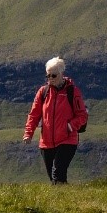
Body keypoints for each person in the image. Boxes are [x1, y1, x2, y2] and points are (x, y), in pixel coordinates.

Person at [22, 56, 88, 185]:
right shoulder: (43, 92)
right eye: (48, 76)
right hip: (46, 142)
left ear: (61, 74)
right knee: (54, 179)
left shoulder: (72, 92)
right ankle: (65, 199)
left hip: (67, 140)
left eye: (54, 75)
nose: (50, 79)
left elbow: (82, 115)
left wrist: (69, 126)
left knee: (57, 174)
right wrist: (28, 133)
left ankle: (63, 198)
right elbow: (34, 115)